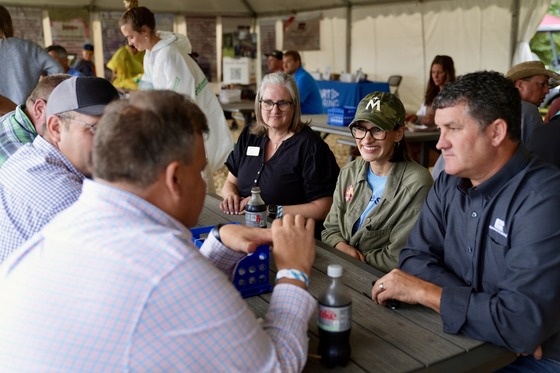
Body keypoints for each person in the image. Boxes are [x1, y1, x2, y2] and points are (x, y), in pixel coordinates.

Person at [0, 90, 317, 372]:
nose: (204, 184)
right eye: (200, 171)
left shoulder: (62, 227)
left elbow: (162, 298)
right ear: (175, 179)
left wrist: (218, 245)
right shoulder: (170, 268)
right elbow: (275, 366)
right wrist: (293, 274)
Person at [371, 71, 560, 371]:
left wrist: (425, 292)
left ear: (497, 132)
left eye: (453, 129)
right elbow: (414, 258)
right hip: (471, 338)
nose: (439, 144)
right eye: (439, 129)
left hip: (535, 359)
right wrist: (495, 318)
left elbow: (521, 325)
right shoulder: (448, 181)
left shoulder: (544, 196)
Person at [0, 76, 119, 263]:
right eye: (96, 129)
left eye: (117, 130)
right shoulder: (63, 194)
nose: (111, 143)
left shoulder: (28, 156)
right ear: (56, 127)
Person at [119, 1, 233, 188]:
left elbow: (183, 97)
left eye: (131, 37)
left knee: (195, 174)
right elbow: (149, 87)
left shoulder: (169, 54)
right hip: (173, 123)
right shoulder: (151, 55)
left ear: (145, 31)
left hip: (185, 123)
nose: (129, 43)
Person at [321, 92, 433, 272]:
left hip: (380, 281)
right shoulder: (349, 172)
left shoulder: (417, 184)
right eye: (360, 129)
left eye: (377, 129)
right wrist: (343, 248)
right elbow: (330, 229)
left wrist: (353, 258)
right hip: (340, 267)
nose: (366, 138)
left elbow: (398, 256)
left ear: (398, 134)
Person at [220, 71, 339, 238]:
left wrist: (270, 210)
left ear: (294, 105)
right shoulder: (250, 135)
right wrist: (231, 197)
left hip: (290, 237)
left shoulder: (310, 147)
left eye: (282, 103)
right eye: (268, 102)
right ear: (259, 104)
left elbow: (323, 207)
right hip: (242, 228)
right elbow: (230, 182)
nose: (274, 109)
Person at [0, 74, 71, 167]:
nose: (71, 124)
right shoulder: (22, 155)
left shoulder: (12, 118)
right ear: (40, 109)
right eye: (68, 116)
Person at [0, 6, 63, 105]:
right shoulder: (29, 47)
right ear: (8, 23)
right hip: (24, 114)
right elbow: (58, 70)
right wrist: (41, 95)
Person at [506, 61, 559, 143]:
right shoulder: (529, 110)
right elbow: (539, 151)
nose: (547, 91)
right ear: (520, 85)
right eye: (542, 84)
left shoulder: (496, 107)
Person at [405, 55, 455, 126]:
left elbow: (454, 119)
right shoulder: (431, 94)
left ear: (448, 73)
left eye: (440, 72)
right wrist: (415, 118)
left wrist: (435, 119)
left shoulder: (455, 95)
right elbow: (423, 116)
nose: (435, 76)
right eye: (433, 72)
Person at [283, 50, 324, 114]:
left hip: (314, 118)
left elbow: (294, 102)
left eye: (288, 62)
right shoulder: (295, 77)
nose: (285, 65)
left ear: (297, 62)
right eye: (284, 62)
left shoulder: (303, 78)